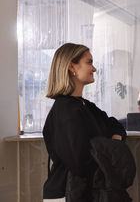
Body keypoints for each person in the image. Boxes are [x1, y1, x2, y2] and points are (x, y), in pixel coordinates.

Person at [42, 43, 129, 201]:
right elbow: (79, 161)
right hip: (67, 193)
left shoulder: (84, 105)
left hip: (83, 191)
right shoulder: (65, 110)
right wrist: (110, 151)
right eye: (89, 62)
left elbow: (114, 125)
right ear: (71, 67)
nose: (94, 69)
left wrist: (112, 143)